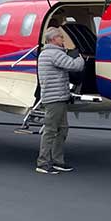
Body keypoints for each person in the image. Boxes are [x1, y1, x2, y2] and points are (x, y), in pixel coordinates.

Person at [35, 26, 85, 175]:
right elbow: (75, 66)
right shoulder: (54, 54)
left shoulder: (46, 53)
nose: (62, 40)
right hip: (55, 98)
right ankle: (43, 163)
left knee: (62, 129)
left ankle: (58, 160)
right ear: (53, 39)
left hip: (57, 97)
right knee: (51, 130)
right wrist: (80, 56)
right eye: (60, 37)